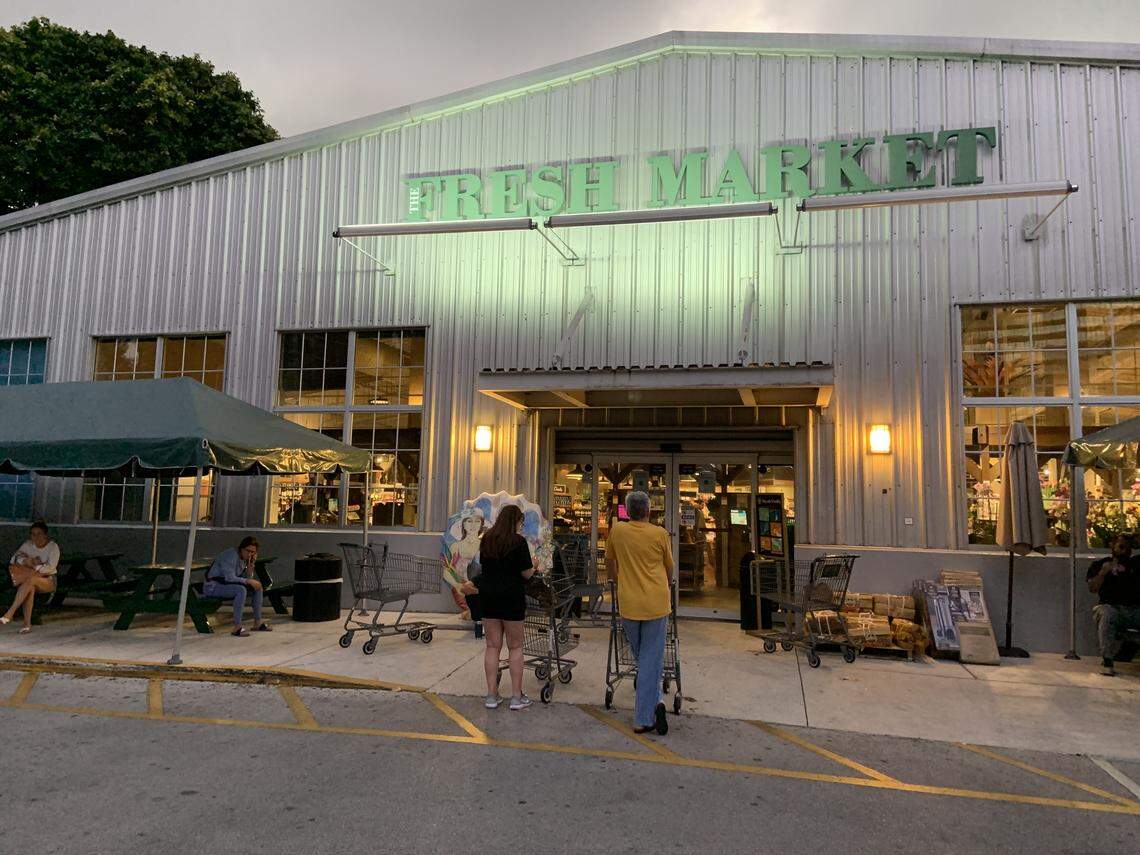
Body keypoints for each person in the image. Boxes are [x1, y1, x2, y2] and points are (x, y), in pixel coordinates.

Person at [606, 490, 672, 736]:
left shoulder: (618, 531)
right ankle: (644, 717)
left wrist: (615, 581)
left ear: (627, 511)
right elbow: (669, 568)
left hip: (629, 603)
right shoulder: (660, 534)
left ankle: (653, 704)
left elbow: (610, 561)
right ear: (648, 511)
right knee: (649, 659)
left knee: (643, 657)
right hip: (656, 603)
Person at [471, 504, 535, 711]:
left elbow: (483, 567)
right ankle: (516, 697)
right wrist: (535, 566)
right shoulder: (519, 542)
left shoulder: (487, 539)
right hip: (512, 597)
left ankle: (491, 695)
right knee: (515, 646)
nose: (521, 526)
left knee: (492, 646)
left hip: (488, 596)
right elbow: (526, 574)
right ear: (515, 521)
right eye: (521, 522)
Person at [1087, 533, 1140, 676]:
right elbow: (1092, 588)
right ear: (1112, 546)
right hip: (1110, 607)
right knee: (1107, 613)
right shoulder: (1100, 564)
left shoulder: (1136, 564)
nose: (1124, 549)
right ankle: (1107, 660)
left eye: (1127, 546)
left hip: (1135, 610)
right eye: (1121, 545)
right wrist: (1103, 573)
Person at [203, 536, 271, 637]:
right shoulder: (231, 556)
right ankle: (237, 627)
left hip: (226, 585)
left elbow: (245, 577)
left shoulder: (244, 559)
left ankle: (257, 622)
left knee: (257, 587)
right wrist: (248, 581)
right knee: (241, 590)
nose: (250, 554)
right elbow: (230, 578)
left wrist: (251, 565)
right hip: (213, 586)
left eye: (253, 552)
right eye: (248, 551)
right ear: (241, 548)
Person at [2, 521, 60, 633]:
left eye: (39, 534)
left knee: (31, 581)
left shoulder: (53, 547)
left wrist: (35, 565)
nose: (36, 537)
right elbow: (14, 559)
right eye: (33, 534)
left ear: (45, 535)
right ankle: (26, 624)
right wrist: (26, 561)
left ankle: (10, 612)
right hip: (30, 578)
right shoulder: (27, 545)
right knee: (30, 586)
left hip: (48, 580)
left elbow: (51, 567)